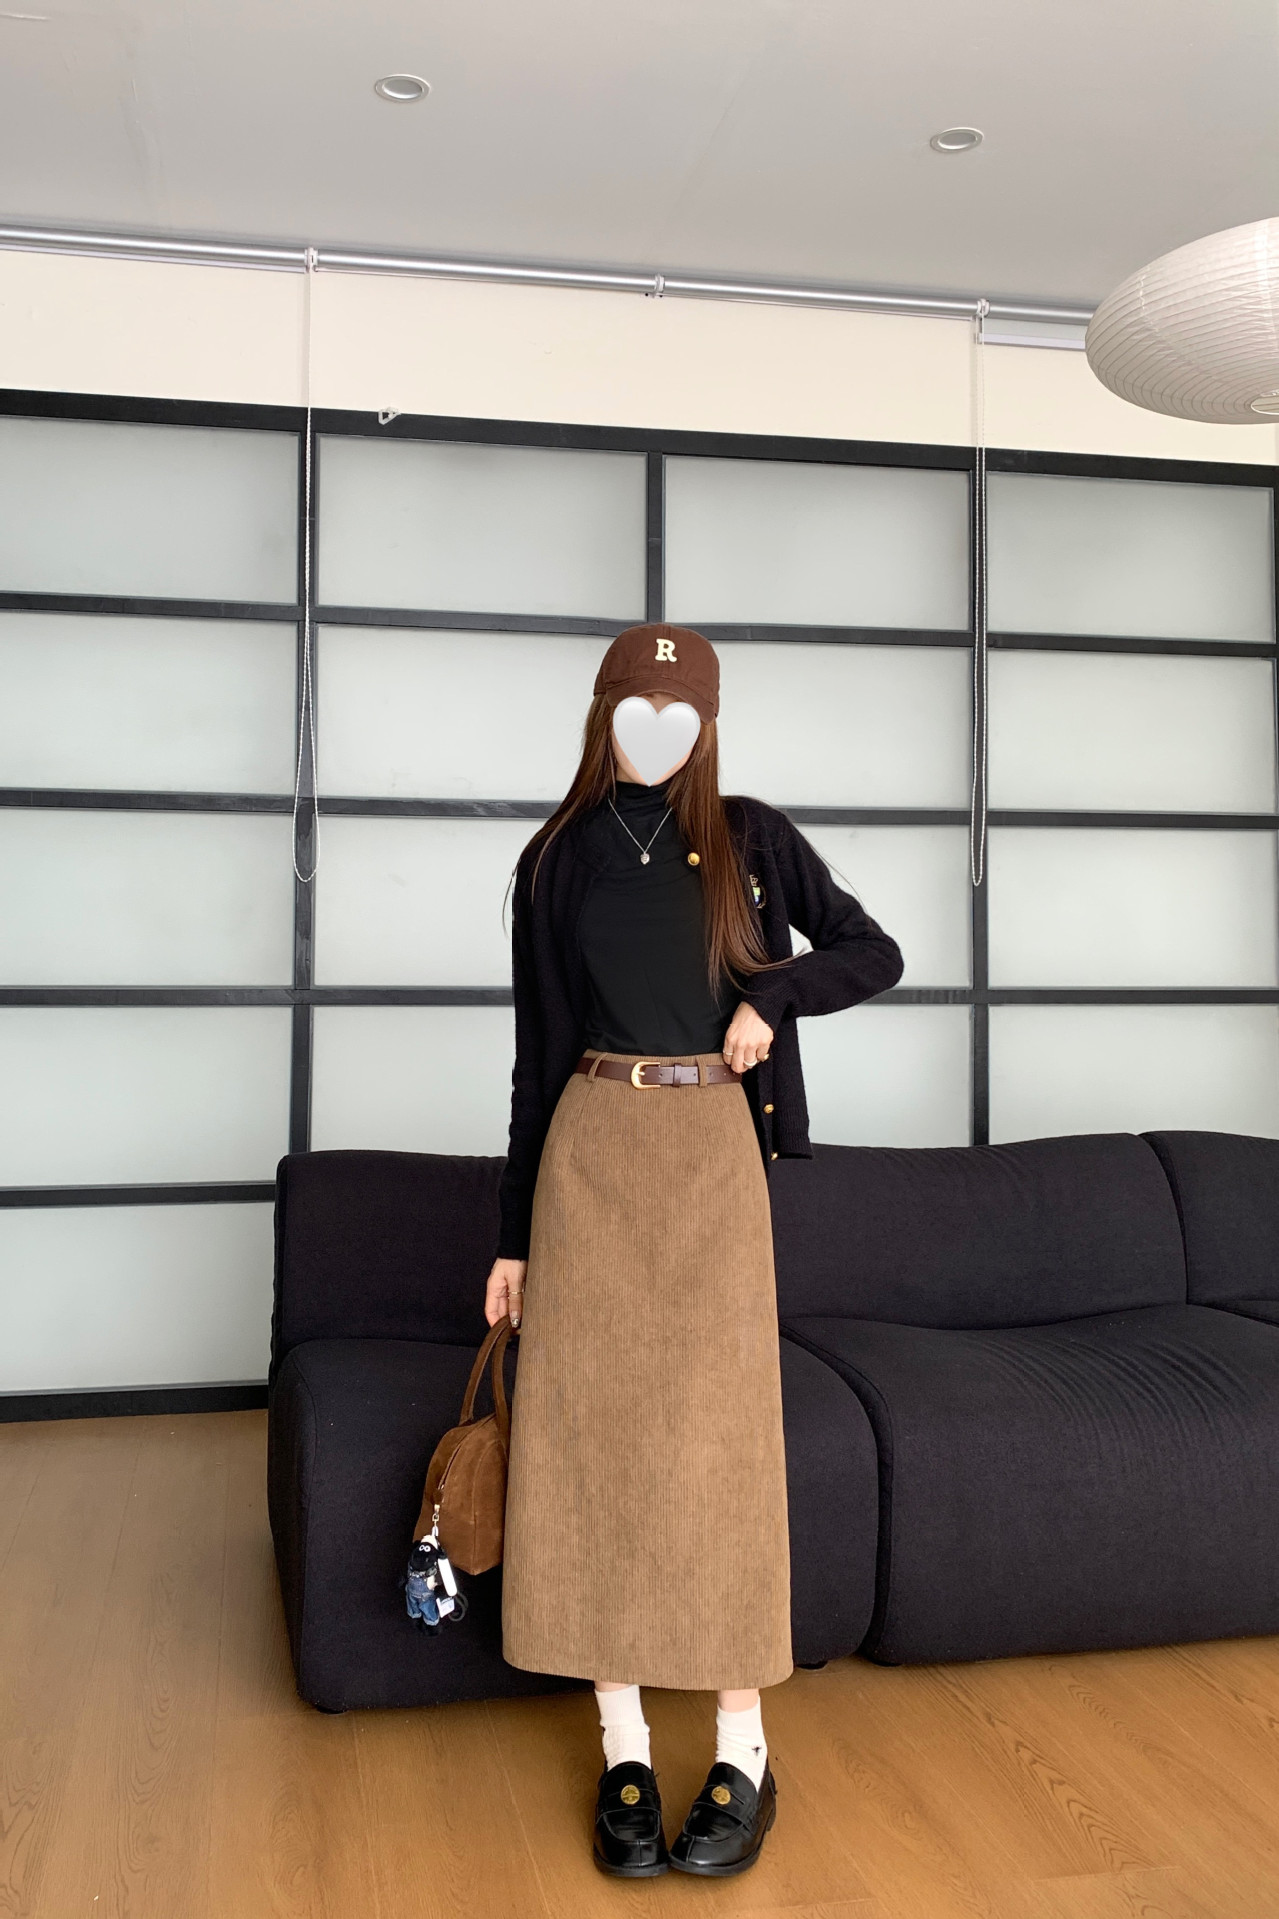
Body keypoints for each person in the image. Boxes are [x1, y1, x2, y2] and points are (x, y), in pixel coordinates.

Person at [483, 622, 904, 1878]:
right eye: (636, 707)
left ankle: (742, 1749)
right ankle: (621, 1743)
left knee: (723, 1447)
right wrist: (512, 1240)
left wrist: (770, 995)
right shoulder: (556, 858)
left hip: (715, 1153)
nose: (656, 731)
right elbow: (535, 1061)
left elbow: (872, 951)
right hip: (590, 1154)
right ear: (603, 712)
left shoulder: (752, 840)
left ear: (707, 723)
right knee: (591, 1441)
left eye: (680, 712)